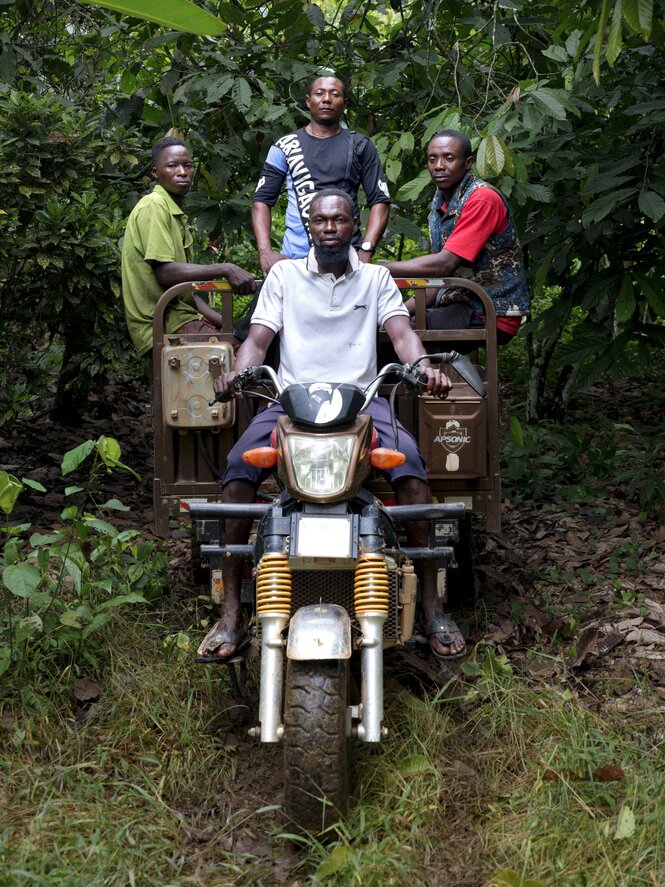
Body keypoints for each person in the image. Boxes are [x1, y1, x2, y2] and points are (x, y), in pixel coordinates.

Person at [198, 188, 466, 664]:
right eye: (320, 220)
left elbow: (403, 336)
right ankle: (233, 612)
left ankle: (431, 604)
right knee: (238, 467)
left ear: (354, 226)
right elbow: (258, 340)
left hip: (362, 403)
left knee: (413, 473)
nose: (329, 228)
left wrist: (425, 369)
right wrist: (239, 375)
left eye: (339, 220)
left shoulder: (377, 278)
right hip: (291, 403)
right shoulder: (283, 275)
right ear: (308, 223)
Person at [381, 129, 530, 348]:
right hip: (456, 304)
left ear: (468, 162)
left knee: (390, 341)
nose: (439, 165)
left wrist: (376, 269)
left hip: (489, 312)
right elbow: (435, 278)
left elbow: (444, 264)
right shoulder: (441, 201)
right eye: (433, 159)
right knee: (383, 330)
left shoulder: (482, 199)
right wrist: (396, 313)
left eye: (448, 158)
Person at [121, 136, 256, 358]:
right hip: (163, 324)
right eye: (172, 166)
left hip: (181, 315)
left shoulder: (175, 212)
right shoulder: (154, 206)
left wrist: (226, 324)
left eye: (188, 165)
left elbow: (187, 294)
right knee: (244, 360)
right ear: (155, 173)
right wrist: (225, 268)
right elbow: (165, 274)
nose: (182, 172)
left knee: (247, 342)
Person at [251, 75, 391, 274]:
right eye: (319, 93)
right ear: (308, 101)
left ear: (345, 103)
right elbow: (261, 201)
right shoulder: (284, 146)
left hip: (347, 262)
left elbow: (380, 200)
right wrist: (265, 252)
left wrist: (366, 250)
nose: (326, 99)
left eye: (335, 94)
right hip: (295, 262)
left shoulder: (360, 145)